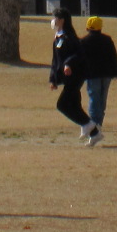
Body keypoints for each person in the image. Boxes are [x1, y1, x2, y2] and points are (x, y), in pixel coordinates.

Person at [71, 15, 117, 146]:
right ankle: (98, 124)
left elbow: (79, 60)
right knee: (102, 100)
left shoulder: (84, 41)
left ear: (88, 27)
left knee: (94, 99)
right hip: (107, 74)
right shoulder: (107, 39)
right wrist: (116, 71)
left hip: (92, 75)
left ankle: (92, 127)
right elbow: (113, 56)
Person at [48, 9, 90, 137]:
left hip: (76, 76)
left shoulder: (69, 36)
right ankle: (94, 133)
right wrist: (53, 80)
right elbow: (55, 61)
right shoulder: (58, 38)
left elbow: (78, 54)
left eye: (55, 18)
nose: (53, 21)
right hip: (68, 78)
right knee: (74, 105)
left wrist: (68, 64)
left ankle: (89, 124)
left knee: (62, 105)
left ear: (62, 20)